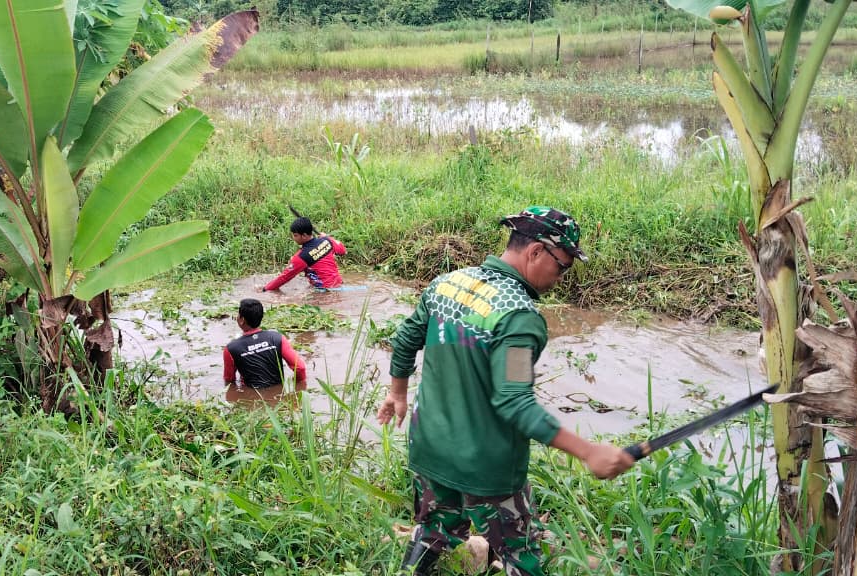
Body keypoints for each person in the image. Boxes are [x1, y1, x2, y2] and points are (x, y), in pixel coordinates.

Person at [376, 206, 635, 576]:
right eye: (563, 266)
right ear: (535, 252)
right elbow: (514, 402)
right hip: (486, 466)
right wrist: (589, 450)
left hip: (429, 447)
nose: (562, 277)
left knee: (434, 531)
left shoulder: (446, 283)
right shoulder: (519, 317)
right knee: (519, 552)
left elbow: (405, 339)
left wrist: (397, 393)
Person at [223, 298, 307, 391]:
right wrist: (298, 385)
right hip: (279, 398)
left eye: (238, 314)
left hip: (252, 398)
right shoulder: (278, 338)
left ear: (242, 320)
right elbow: (300, 368)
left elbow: (229, 380)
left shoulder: (231, 348)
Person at [260, 217, 346, 292]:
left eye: (295, 235)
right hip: (339, 285)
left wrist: (265, 289)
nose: (293, 238)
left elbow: (284, 278)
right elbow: (343, 250)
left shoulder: (301, 257)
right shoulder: (327, 241)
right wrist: (327, 237)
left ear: (304, 235)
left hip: (324, 291)